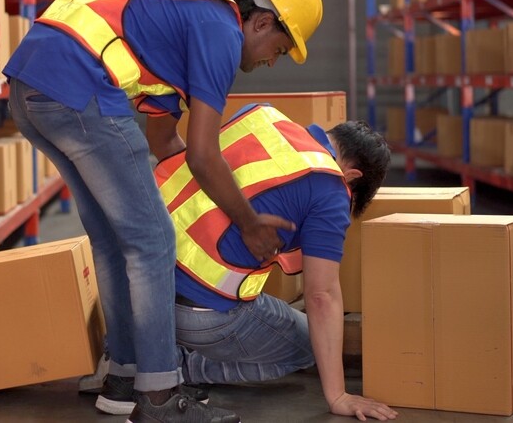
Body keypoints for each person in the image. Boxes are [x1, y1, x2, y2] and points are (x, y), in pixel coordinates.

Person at [3, 0, 324, 422]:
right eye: (280, 48)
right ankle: (159, 397)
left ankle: (123, 377)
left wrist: (206, 189)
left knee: (116, 241)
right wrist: (248, 221)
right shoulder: (221, 32)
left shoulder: (182, 24)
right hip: (79, 84)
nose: (273, 59)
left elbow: (164, 144)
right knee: (153, 245)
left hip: (32, 88)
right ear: (261, 22)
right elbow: (202, 155)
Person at [154, 104, 398, 422]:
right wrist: (338, 395)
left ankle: (142, 351)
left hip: (144, 280)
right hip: (195, 309)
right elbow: (321, 296)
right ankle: (178, 368)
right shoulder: (331, 188)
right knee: (311, 343)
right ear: (352, 176)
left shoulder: (263, 117)